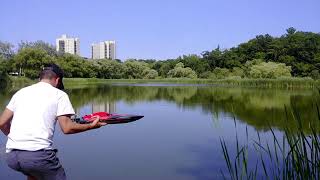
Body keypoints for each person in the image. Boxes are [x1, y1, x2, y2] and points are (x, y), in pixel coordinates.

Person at [0, 63, 107, 180]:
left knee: (34, 174)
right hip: (38, 156)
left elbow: (2, 123)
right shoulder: (59, 95)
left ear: (40, 78)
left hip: (12, 157)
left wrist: (17, 139)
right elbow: (67, 128)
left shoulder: (20, 93)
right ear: (57, 80)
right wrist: (91, 125)